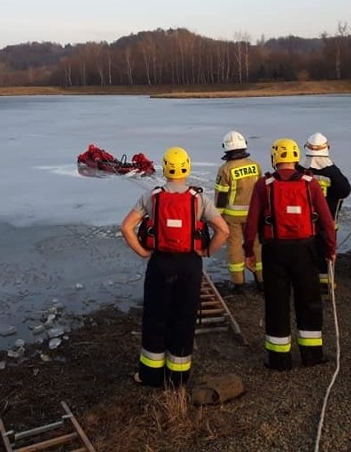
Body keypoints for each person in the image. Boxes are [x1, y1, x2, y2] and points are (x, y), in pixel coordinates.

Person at [121, 147, 229, 387]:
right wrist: (207, 251)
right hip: (189, 264)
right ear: (187, 167)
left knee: (155, 316)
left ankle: (150, 375)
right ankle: (178, 377)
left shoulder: (152, 196)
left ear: (165, 167)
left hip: (160, 263)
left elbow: (126, 227)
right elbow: (224, 230)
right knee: (184, 317)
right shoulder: (199, 199)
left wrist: (143, 252)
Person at [244, 138, 337, 370]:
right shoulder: (310, 183)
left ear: (274, 158)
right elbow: (326, 220)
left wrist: (249, 252)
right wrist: (330, 249)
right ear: (296, 157)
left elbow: (252, 221)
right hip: (305, 250)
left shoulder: (263, 185)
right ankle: (312, 356)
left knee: (276, 303)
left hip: (274, 250)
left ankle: (279, 359)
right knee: (310, 302)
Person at [214, 130, 263, 294]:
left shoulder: (225, 169)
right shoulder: (255, 166)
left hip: (232, 217)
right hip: (254, 215)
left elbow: (221, 196)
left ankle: (239, 284)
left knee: (234, 247)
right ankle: (261, 281)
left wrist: (218, 217)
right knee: (256, 246)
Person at [302, 132, 351, 294]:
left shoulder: (300, 169)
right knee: (327, 252)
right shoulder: (331, 171)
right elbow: (345, 190)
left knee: (308, 253)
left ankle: (309, 281)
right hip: (328, 219)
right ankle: (326, 282)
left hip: (304, 221)